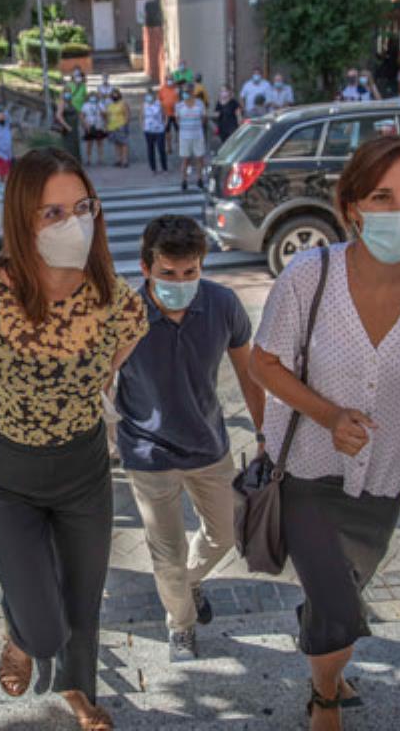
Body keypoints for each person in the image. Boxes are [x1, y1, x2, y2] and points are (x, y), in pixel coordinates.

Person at [249, 134, 400, 730]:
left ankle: (324, 653)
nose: (399, 212)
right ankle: (325, 698)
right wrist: (329, 416)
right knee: (337, 612)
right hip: (304, 476)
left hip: (383, 485)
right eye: (382, 196)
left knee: (341, 594)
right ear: (352, 204)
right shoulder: (309, 277)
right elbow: (264, 363)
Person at [0, 147, 146, 731]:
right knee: (42, 625)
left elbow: (103, 382)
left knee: (83, 604)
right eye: (53, 213)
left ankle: (79, 695)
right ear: (21, 219)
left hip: (83, 470)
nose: (74, 223)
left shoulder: (123, 306)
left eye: (83, 206)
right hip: (9, 474)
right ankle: (21, 638)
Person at [116, 214, 265, 662]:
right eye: (168, 274)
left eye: (190, 273)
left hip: (208, 446)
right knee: (166, 555)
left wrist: (264, 434)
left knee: (223, 535)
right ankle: (180, 625)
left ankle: (188, 583)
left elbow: (249, 372)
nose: (180, 283)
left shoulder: (222, 304)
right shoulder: (122, 311)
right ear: (145, 268)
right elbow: (101, 377)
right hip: (146, 451)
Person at [175, 87, 207, 192]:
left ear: (193, 92)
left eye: (188, 92)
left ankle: (199, 179)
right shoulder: (179, 105)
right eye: (185, 92)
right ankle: (184, 180)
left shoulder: (200, 104)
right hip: (185, 136)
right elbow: (177, 119)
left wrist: (197, 126)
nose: (187, 94)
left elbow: (203, 117)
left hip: (198, 135)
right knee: (185, 159)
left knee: (199, 158)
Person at [143, 88, 168, 175]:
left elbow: (165, 115)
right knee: (150, 149)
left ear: (154, 96)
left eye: (150, 95)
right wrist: (143, 126)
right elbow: (141, 116)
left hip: (159, 130)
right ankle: (153, 169)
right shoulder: (145, 105)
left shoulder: (159, 104)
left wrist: (164, 124)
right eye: (147, 96)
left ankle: (164, 168)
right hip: (148, 130)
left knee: (161, 149)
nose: (149, 97)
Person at [55, 88, 83, 161]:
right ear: (63, 94)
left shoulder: (71, 103)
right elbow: (58, 116)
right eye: (66, 93)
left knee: (74, 144)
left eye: (69, 93)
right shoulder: (62, 102)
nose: (68, 94)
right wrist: (67, 126)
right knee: (68, 145)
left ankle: (75, 160)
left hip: (74, 127)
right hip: (68, 127)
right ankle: (69, 161)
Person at [105, 89, 130, 168]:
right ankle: (118, 160)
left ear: (119, 95)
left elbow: (127, 114)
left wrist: (125, 124)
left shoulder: (123, 104)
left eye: (116, 94)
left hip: (121, 126)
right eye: (113, 95)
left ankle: (125, 160)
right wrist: (107, 126)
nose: (114, 96)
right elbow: (108, 116)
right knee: (116, 144)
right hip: (112, 127)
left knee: (123, 143)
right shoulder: (110, 105)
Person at [80, 93, 106, 167]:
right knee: (89, 144)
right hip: (89, 126)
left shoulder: (100, 104)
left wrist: (101, 109)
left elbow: (105, 115)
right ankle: (89, 159)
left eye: (94, 96)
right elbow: (81, 116)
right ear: (88, 97)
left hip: (99, 126)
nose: (93, 98)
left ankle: (100, 159)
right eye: (91, 97)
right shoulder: (85, 105)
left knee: (100, 143)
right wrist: (85, 124)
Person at [159, 76, 180, 155]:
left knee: (178, 130)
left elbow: (180, 98)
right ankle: (169, 147)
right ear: (166, 80)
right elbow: (160, 100)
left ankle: (180, 146)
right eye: (168, 79)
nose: (170, 81)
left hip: (176, 113)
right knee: (167, 131)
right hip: (166, 114)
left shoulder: (176, 88)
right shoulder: (162, 89)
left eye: (171, 79)